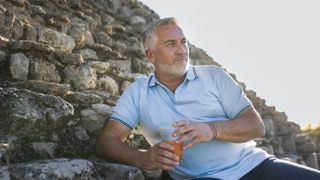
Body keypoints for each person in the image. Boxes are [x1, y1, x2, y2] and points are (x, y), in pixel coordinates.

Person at [96, 17, 320, 179]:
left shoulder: (215, 76)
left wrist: (211, 130)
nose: (182, 50)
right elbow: (108, 140)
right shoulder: (138, 92)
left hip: (256, 166)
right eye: (171, 44)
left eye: (184, 42)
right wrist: (142, 158)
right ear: (150, 55)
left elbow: (256, 126)